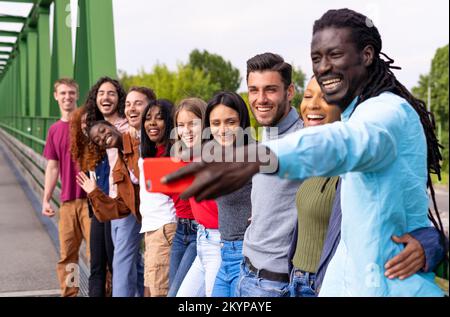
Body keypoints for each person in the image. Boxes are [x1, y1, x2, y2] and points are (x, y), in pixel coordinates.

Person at [164, 9, 446, 296]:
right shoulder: (345, 117)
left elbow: (344, 142)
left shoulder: (386, 113)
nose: (323, 68)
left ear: (367, 55)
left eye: (335, 54)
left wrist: (252, 159)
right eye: (316, 58)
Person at [289, 77, 446, 297]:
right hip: (295, 281)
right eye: (307, 95)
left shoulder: (362, 166)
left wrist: (430, 244)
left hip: (325, 286)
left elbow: (402, 216)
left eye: (325, 97)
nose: (312, 104)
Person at [84, 77, 144, 297]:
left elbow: (137, 172)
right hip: (110, 203)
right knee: (127, 261)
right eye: (101, 93)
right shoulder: (96, 129)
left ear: (118, 97)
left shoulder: (129, 129)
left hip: (127, 203)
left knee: (121, 261)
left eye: (111, 93)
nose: (106, 97)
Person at [42, 78, 91, 297]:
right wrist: (46, 198)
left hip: (92, 201)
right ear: (56, 96)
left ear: (77, 95)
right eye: (63, 93)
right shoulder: (54, 130)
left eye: (71, 93)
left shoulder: (86, 124)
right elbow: (53, 167)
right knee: (68, 256)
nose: (67, 97)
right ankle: (71, 294)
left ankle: (104, 292)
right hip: (68, 202)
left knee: (97, 255)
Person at [203, 92, 253, 297]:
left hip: (246, 255)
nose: (222, 130)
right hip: (224, 252)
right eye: (215, 123)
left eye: (230, 122)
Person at [166, 98, 205, 297]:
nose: (186, 130)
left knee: (177, 294)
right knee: (173, 290)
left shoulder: (211, 156)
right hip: (181, 230)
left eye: (193, 124)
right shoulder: (179, 156)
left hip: (202, 233)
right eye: (181, 125)